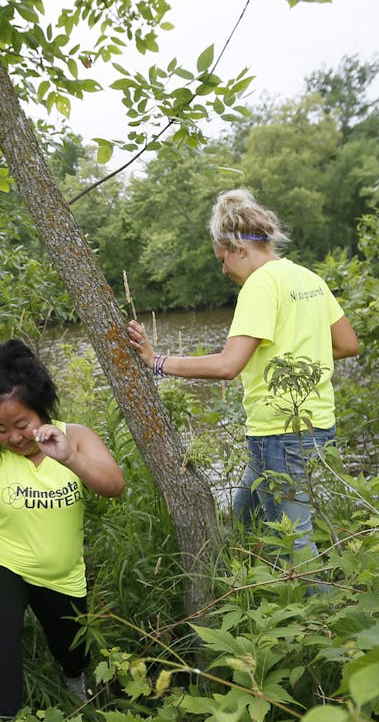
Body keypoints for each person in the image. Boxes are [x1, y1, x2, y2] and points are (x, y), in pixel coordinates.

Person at [128, 188, 359, 561]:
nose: (223, 271)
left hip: (280, 435)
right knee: (244, 518)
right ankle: (248, 589)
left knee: (294, 544)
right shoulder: (308, 278)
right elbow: (348, 343)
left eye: (223, 260)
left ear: (239, 248)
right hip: (317, 427)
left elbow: (227, 365)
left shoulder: (260, 284)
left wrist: (158, 361)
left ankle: (327, 615)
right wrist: (294, 350)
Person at [0, 339, 125, 718]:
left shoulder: (76, 437)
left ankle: (73, 680)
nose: (14, 437)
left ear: (43, 410)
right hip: (0, 560)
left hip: (62, 574)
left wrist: (69, 457)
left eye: (22, 424)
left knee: (72, 650)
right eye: (1, 427)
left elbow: (113, 485)